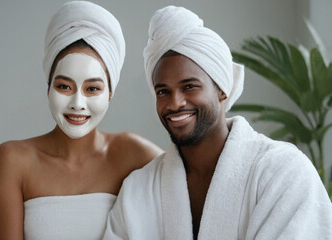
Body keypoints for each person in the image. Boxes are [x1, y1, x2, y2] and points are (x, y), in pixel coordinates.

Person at [104, 5, 332, 240]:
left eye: (189, 86)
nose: (175, 103)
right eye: (163, 91)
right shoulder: (138, 190)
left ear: (222, 89)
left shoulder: (283, 171)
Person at [0, 1, 163, 239]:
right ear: (48, 88)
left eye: (92, 88)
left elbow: (191, 181)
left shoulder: (132, 152)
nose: (78, 103)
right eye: (64, 86)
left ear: (110, 93)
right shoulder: (13, 160)